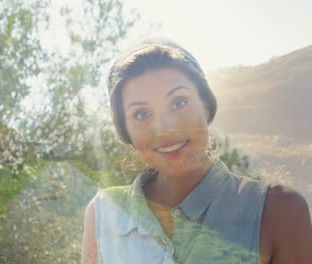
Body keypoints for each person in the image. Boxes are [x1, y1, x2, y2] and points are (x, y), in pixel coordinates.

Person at [81, 38, 312, 263]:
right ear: (125, 131)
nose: (165, 129)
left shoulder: (279, 211)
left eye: (179, 103)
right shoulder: (103, 214)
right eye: (141, 114)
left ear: (206, 105)